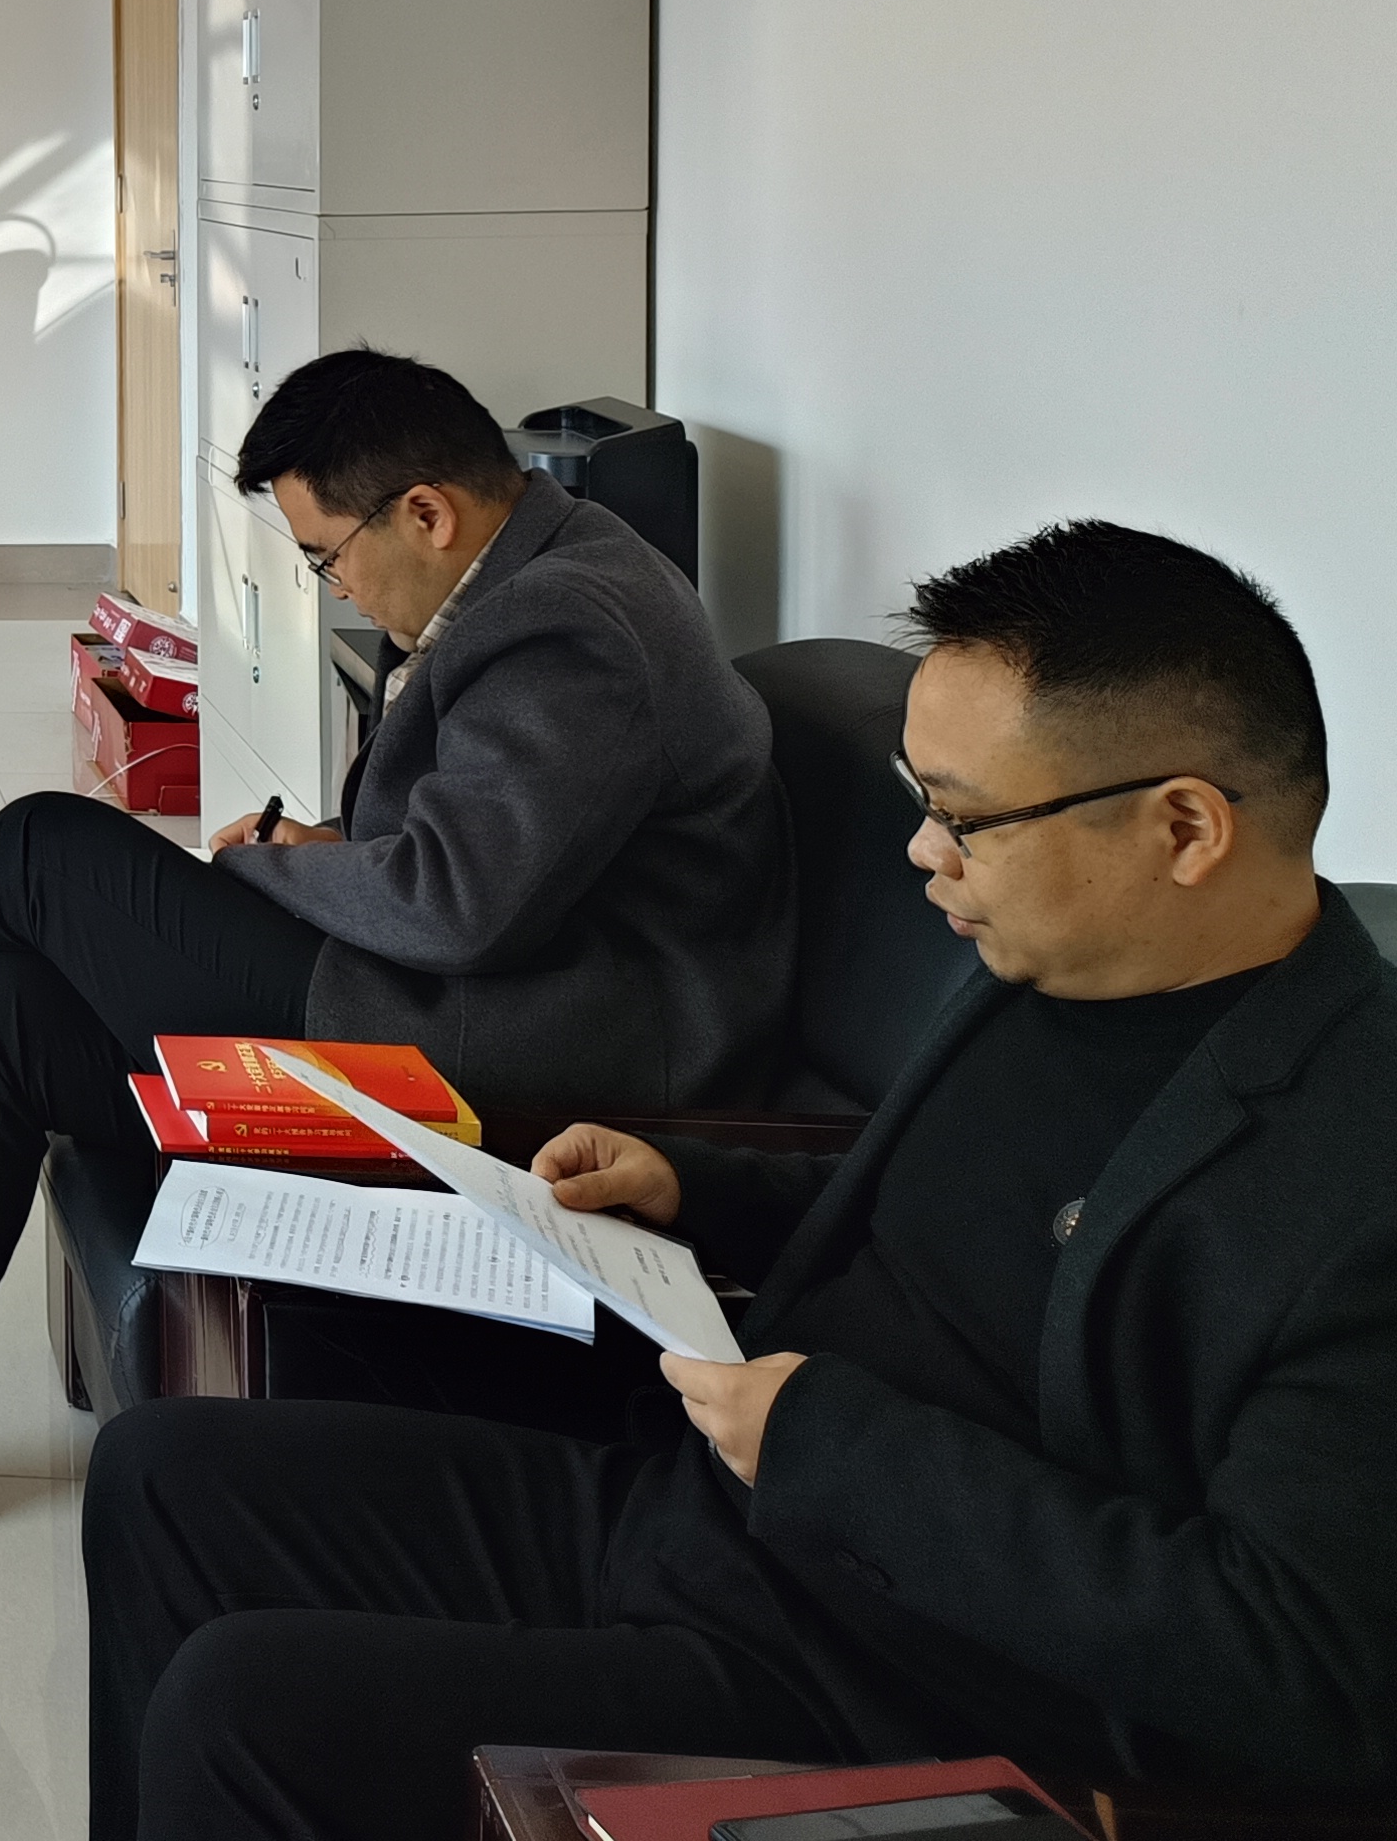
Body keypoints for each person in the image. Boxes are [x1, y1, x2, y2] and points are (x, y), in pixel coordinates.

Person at [88, 522, 1397, 1841]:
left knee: (243, 1709)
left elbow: (1292, 1662)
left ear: (1184, 827)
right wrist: (693, 1186)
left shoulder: (1349, 1172)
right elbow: (921, 1219)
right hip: (708, 1515)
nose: (923, 852)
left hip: (885, 1684)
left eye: (965, 818)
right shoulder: (1061, 968)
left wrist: (834, 1449)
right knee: (163, 1476)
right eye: (920, 799)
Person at [0, 346, 792, 1529]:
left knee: (44, 850)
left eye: (326, 556)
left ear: (425, 512)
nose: (332, 590)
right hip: (470, 996)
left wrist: (268, 866)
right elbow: (495, 853)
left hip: (528, 1066)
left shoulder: (567, 624)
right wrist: (331, 845)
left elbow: (455, 902)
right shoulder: (544, 572)